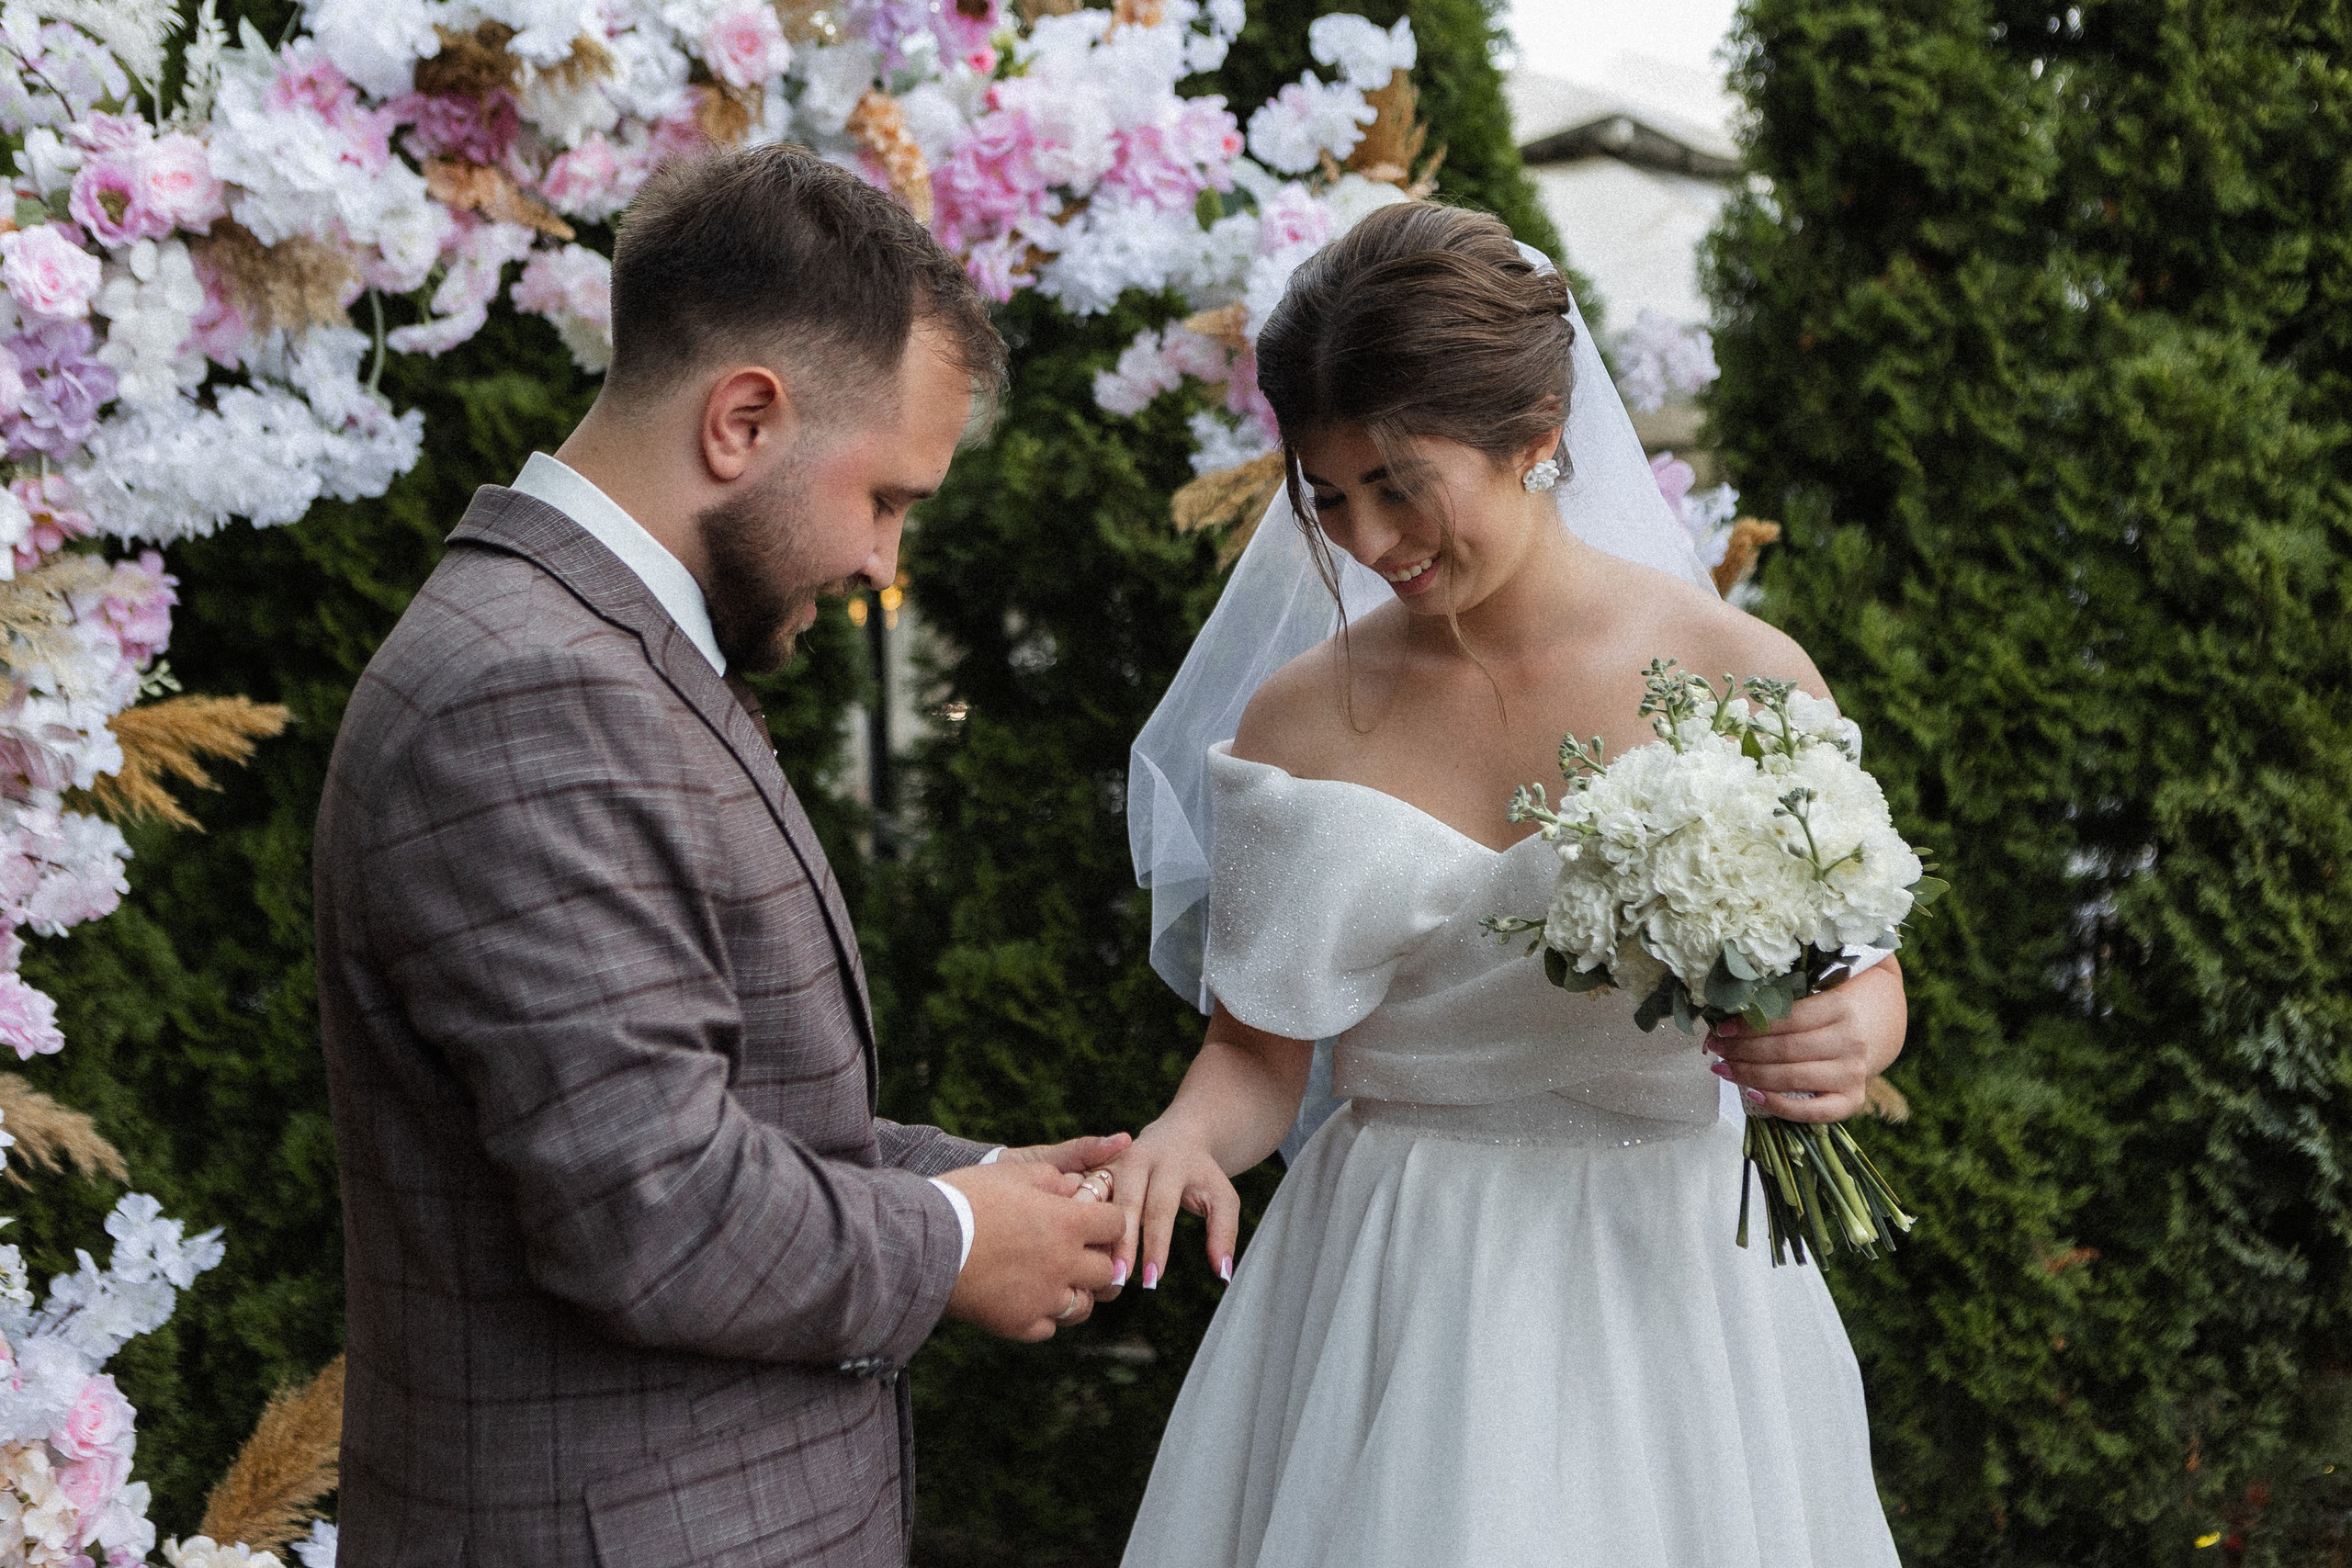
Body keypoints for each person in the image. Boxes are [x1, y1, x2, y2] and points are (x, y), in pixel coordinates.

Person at [312, 144, 1126, 1568]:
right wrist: (950, 1243)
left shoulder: (604, 654)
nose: (885, 566)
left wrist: (997, 1185)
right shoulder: (530, 691)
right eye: (887, 500)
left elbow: (704, 1111)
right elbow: (655, 1211)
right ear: (745, 419)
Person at [1108, 201, 1907, 1566]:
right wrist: (1184, 1138)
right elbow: (1254, 1054)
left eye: (1400, 483)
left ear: (1540, 432)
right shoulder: (1302, 720)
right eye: (1328, 492)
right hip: (1397, 1272)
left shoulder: (1742, 676)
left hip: (1675, 1280)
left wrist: (1855, 1030)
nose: (1365, 538)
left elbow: (1857, 971)